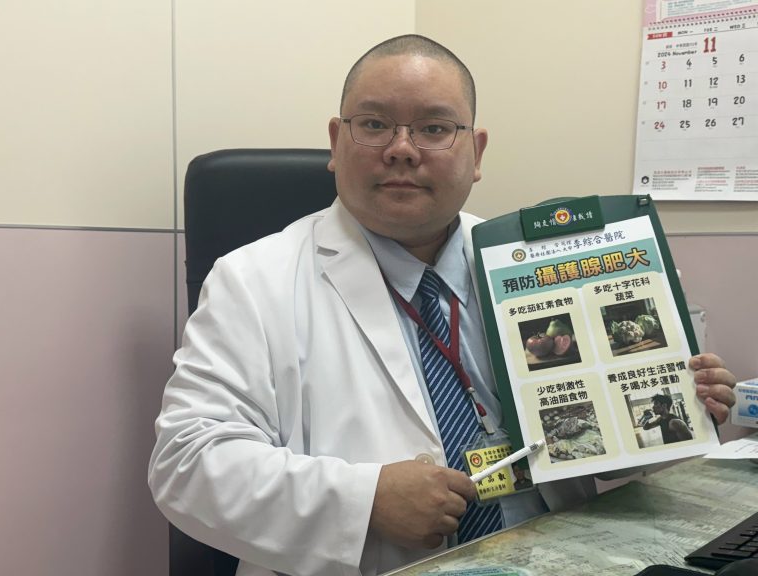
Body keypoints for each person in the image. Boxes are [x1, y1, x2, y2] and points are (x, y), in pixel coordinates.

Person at [148, 35, 737, 576]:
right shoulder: (253, 281)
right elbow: (185, 463)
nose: (402, 150)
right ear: (335, 142)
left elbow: (582, 449)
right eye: (374, 124)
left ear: (476, 154)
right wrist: (363, 501)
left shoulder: (526, 265)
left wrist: (672, 406)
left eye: (434, 128)